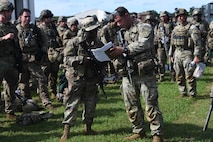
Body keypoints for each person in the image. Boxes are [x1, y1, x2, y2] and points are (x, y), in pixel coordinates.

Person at [110, 6, 164, 142]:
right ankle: (138, 130)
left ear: (127, 15)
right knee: (131, 105)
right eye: (116, 22)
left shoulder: (143, 27)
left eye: (120, 20)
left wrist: (124, 50)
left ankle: (157, 134)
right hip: (128, 73)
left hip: (144, 73)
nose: (118, 24)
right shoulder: (121, 32)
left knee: (150, 104)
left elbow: (144, 43)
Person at [60, 16, 105, 142]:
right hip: (76, 78)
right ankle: (66, 131)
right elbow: (66, 59)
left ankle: (88, 127)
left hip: (92, 78)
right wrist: (81, 60)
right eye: (91, 31)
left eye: (95, 30)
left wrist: (102, 73)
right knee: (72, 104)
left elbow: (103, 60)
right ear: (84, 30)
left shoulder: (98, 43)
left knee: (91, 104)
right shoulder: (74, 42)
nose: (94, 33)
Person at [16, 8, 53, 109]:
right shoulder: (16, 29)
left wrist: (41, 53)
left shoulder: (36, 29)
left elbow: (45, 42)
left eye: (29, 16)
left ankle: (46, 101)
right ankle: (26, 103)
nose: (27, 19)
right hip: (22, 60)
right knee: (23, 83)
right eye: (25, 16)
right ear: (20, 17)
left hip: (34, 59)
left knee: (41, 79)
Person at [169, 8, 202, 98]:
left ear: (186, 16)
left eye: (182, 16)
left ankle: (192, 93)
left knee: (189, 75)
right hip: (177, 53)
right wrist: (171, 54)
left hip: (187, 53)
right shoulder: (175, 28)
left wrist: (197, 56)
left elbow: (197, 43)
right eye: (178, 16)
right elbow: (172, 43)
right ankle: (182, 92)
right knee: (179, 75)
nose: (180, 18)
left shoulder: (192, 28)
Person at [0, 0, 22, 119]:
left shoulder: (12, 27)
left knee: (11, 87)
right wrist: (4, 38)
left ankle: (10, 111)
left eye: (11, 11)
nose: (10, 13)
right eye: (8, 11)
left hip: (11, 60)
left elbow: (17, 44)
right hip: (0, 60)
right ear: (2, 12)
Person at [38, 9, 62, 99]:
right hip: (44, 54)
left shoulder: (52, 28)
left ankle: (53, 91)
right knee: (44, 75)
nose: (49, 19)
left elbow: (57, 39)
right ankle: (43, 93)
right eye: (47, 17)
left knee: (54, 74)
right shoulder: (39, 29)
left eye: (50, 17)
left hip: (53, 53)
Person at [154, 11, 175, 82]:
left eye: (164, 16)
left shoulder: (171, 25)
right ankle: (161, 76)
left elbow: (174, 34)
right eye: (161, 17)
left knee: (171, 61)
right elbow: (155, 34)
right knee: (161, 62)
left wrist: (169, 38)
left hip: (169, 45)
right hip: (161, 46)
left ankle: (172, 76)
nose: (163, 18)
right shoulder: (158, 25)